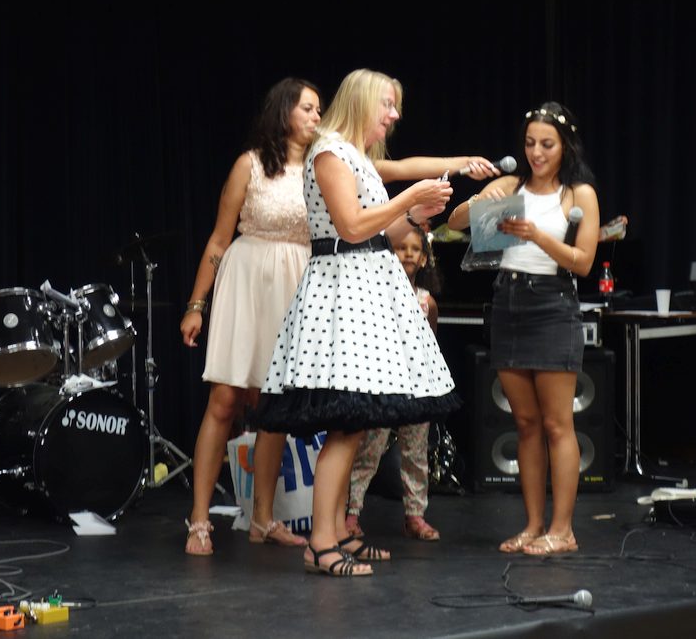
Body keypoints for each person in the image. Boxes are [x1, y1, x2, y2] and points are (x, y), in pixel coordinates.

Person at [250, 68, 495, 577]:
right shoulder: (329, 153)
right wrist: (410, 200)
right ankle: (321, 543)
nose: (394, 115)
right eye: (388, 104)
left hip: (365, 294)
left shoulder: (355, 157)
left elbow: (391, 208)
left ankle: (338, 533)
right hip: (343, 296)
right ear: (362, 102)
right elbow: (352, 225)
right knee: (346, 423)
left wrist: (431, 198)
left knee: (358, 423)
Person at [446, 101, 600, 555]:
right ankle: (533, 525)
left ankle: (563, 530)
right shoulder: (510, 186)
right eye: (530, 143)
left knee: (557, 424)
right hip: (508, 300)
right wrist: (477, 202)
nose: (536, 152)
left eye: (546, 144)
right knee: (526, 424)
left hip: (553, 303)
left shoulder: (578, 193)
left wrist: (538, 236)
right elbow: (454, 224)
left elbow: (584, 262)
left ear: (565, 145)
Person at [179, 77, 322, 555]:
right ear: (284, 112)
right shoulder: (252, 164)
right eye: (308, 108)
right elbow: (219, 239)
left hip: (295, 284)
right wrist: (196, 305)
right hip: (248, 281)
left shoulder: (321, 169)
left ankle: (263, 518)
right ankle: (200, 520)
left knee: (274, 407)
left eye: (319, 110)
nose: (316, 117)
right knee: (225, 399)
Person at [345, 224, 443, 542]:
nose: (408, 254)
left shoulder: (426, 301)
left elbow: (431, 342)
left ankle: (415, 515)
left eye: (415, 250)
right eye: (401, 248)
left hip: (418, 386)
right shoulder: (374, 295)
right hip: (383, 383)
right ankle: (351, 512)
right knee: (369, 449)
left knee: (415, 451)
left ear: (424, 259)